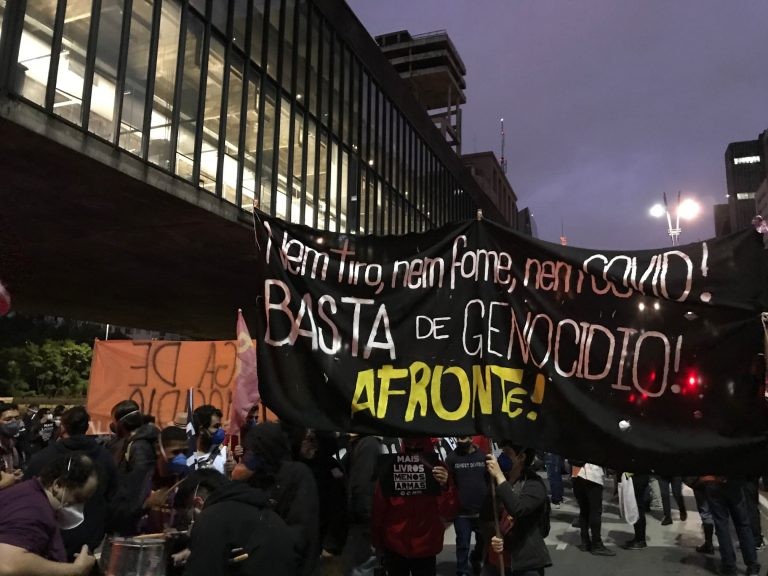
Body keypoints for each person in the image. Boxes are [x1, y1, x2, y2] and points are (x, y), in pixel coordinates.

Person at [24, 405, 118, 560]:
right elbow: (112, 494)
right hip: (88, 541)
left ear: (63, 427)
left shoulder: (42, 458)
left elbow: (28, 496)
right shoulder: (106, 458)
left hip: (49, 541)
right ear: (87, 427)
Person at [179, 468, 301, 576]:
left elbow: (201, 571)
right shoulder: (260, 509)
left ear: (197, 503)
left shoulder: (211, 516)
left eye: (188, 514)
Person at [0, 452, 98, 576]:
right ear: (58, 485)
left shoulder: (28, 493)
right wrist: (76, 569)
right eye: (78, 498)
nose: (78, 506)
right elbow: (7, 564)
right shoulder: (34, 510)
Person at [372, 437, 458, 576]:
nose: (414, 452)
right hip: (395, 545)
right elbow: (379, 507)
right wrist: (378, 540)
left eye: (419, 447)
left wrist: (445, 486)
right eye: (409, 446)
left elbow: (449, 512)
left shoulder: (439, 469)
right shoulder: (391, 468)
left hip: (426, 546)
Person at [244, 421, 320, 576]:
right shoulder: (256, 477)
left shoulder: (297, 475)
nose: (250, 456)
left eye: (254, 451)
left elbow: (300, 532)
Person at [482, 442, 551, 576]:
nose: (502, 456)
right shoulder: (497, 481)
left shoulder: (534, 484)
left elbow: (517, 508)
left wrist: (499, 476)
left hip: (525, 563)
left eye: (507, 453)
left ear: (521, 457)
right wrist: (493, 537)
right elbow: (486, 515)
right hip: (497, 561)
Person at [108, 401, 159, 536]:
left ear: (121, 424)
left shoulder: (139, 446)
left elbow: (140, 485)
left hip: (131, 519)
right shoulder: (131, 442)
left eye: (114, 421)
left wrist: (128, 513)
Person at [447, 436, 489, 575]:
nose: (461, 438)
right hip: (462, 513)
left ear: (471, 438)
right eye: (458, 436)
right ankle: (462, 571)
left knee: (483, 544)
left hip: (482, 512)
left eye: (464, 436)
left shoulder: (483, 457)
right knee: (463, 544)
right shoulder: (452, 458)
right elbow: (448, 485)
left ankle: (476, 561)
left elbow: (490, 482)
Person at [342, 433, 383, 576]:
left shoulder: (368, 444)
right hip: (362, 519)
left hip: (363, 521)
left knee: (361, 566)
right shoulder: (364, 444)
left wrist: (364, 518)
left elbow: (361, 485)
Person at [703, 475, 760, 576]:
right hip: (734, 482)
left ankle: (729, 567)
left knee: (722, 526)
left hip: (713, 482)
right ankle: (752, 565)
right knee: (743, 524)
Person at [571, 461, 614, 556]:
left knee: (584, 510)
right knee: (595, 510)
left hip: (576, 473)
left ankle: (585, 542)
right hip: (592, 474)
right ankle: (597, 544)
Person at [187, 405, 228, 474]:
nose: (220, 430)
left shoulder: (224, 453)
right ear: (201, 430)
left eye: (220, 426)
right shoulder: (189, 458)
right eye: (216, 426)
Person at [623, 472, 650, 549]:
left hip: (638, 477)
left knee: (637, 508)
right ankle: (639, 538)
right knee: (637, 507)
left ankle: (640, 540)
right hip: (640, 477)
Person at [0, 401, 24, 490]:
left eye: (17, 418)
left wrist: (13, 474)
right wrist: (3, 484)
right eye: (8, 419)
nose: (14, 422)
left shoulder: (12, 444)